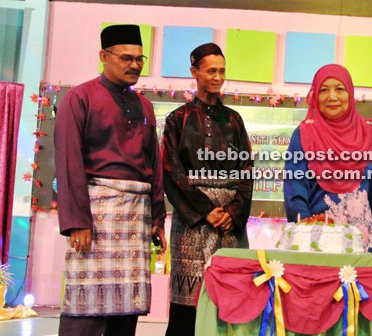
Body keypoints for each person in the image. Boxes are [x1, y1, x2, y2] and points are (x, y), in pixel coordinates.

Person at [54, 24, 166, 336]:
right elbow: (68, 161)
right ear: (104, 56)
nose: (134, 65)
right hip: (96, 214)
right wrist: (77, 221)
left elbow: (153, 164)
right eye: (126, 58)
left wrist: (157, 217)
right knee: (86, 304)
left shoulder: (144, 105)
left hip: (135, 215)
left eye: (140, 59)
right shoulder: (79, 98)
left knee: (127, 307)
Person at [162, 42, 253, 335]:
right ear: (195, 72)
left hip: (229, 225)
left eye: (222, 71)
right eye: (211, 70)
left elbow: (247, 170)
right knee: (187, 304)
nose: (217, 77)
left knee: (231, 300)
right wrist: (206, 211)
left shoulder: (234, 120)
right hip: (192, 223)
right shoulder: (177, 119)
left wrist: (232, 212)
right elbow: (171, 171)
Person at [283, 64, 372, 252]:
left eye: (339, 89)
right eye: (324, 90)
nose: (332, 97)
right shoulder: (304, 134)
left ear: (350, 92)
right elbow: (295, 188)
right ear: (316, 96)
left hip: (365, 244)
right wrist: (305, 234)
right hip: (317, 243)